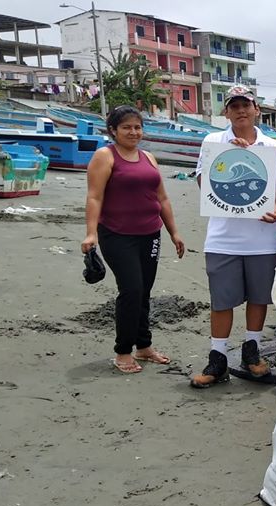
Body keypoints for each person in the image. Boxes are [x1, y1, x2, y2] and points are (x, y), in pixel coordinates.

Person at [190, 85, 276, 388]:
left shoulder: (273, 148)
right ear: (226, 112)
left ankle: (252, 350)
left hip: (262, 238)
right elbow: (204, 181)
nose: (241, 111)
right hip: (222, 238)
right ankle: (218, 357)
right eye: (234, 106)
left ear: (256, 109)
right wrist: (233, 155)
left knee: (259, 298)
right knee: (221, 300)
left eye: (246, 105)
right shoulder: (212, 142)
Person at [81, 105, 185, 374]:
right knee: (132, 290)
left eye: (137, 127)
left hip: (150, 234)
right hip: (117, 234)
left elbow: (162, 198)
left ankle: (144, 346)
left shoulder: (148, 157)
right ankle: (123, 351)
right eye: (126, 127)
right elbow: (94, 197)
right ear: (113, 130)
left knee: (144, 291)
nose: (133, 132)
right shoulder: (105, 156)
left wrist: (173, 232)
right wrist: (91, 232)